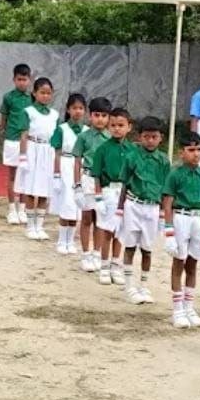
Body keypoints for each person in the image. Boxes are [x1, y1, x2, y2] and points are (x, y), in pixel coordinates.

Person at [116, 117, 171, 304]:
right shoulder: (132, 157)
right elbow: (125, 184)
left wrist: (164, 214)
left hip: (152, 207)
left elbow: (166, 189)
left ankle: (144, 286)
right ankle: (129, 285)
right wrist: (119, 210)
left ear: (160, 138)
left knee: (147, 248)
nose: (150, 140)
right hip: (133, 204)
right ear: (140, 137)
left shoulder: (164, 160)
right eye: (146, 137)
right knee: (130, 245)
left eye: (154, 137)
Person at [162, 132, 200, 328]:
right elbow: (168, 202)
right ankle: (177, 308)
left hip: (198, 218)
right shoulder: (175, 174)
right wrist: (169, 231)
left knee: (193, 262)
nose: (196, 154)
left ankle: (189, 306)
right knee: (179, 261)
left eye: (199, 149)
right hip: (181, 217)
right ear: (182, 152)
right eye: (191, 150)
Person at [92, 108, 134, 286]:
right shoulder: (102, 149)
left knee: (121, 232)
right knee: (108, 230)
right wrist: (99, 198)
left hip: (125, 193)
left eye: (121, 125)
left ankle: (116, 265)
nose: (117, 129)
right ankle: (103, 266)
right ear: (109, 127)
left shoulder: (133, 150)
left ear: (129, 127)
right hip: (109, 191)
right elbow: (96, 175)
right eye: (114, 125)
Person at [16, 76, 59, 242]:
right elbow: (24, 135)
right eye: (42, 93)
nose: (46, 96)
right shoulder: (29, 112)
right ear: (35, 93)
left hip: (47, 150)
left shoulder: (54, 115)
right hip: (33, 149)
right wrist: (23, 156)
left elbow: (56, 137)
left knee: (43, 190)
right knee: (30, 188)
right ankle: (30, 225)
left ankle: (39, 225)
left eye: (49, 93)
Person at [72, 97, 112, 272]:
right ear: (90, 116)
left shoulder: (111, 137)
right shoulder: (83, 137)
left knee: (100, 218)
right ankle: (86, 254)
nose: (100, 119)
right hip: (88, 178)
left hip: (104, 181)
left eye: (104, 115)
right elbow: (77, 162)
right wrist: (77, 186)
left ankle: (97, 252)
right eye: (97, 115)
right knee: (87, 217)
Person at [49, 93, 87, 255]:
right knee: (66, 203)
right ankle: (61, 240)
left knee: (76, 206)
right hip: (65, 165)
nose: (77, 111)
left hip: (81, 167)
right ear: (68, 110)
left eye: (80, 108)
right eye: (74, 108)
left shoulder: (87, 131)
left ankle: (70, 240)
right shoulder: (62, 129)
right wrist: (57, 175)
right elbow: (57, 153)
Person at [1, 63, 33, 225]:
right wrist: (8, 132)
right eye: (19, 79)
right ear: (14, 79)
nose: (22, 82)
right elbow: (4, 119)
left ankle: (23, 209)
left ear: (29, 80)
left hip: (28, 142)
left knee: (25, 176)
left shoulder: (32, 99)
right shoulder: (8, 97)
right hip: (12, 140)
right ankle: (12, 209)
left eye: (25, 79)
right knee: (13, 175)